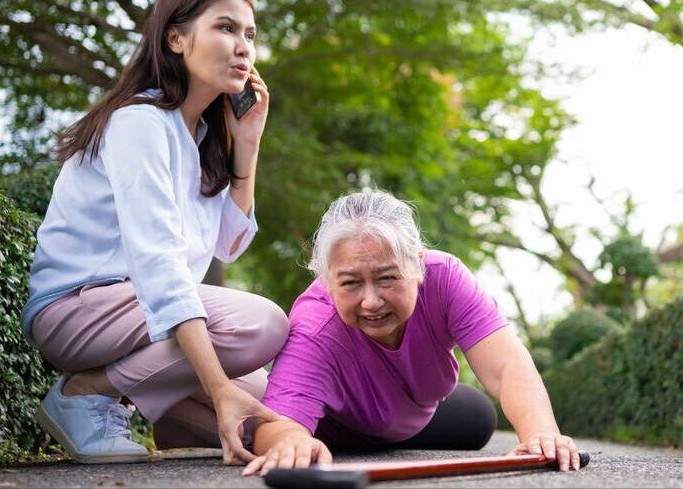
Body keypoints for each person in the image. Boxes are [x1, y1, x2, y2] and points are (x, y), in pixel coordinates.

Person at [21, 0, 289, 465]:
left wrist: (246, 146)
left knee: (263, 405)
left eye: (250, 34)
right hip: (78, 307)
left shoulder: (201, 139)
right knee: (260, 327)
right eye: (226, 29)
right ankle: (85, 391)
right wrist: (214, 383)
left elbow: (227, 247)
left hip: (140, 317)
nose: (243, 47)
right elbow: (158, 266)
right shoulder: (139, 123)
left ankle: (160, 415)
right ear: (176, 38)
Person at [242, 190, 581, 477]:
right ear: (328, 282)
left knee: (477, 416)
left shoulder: (446, 278)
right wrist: (291, 441)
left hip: (408, 419)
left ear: (418, 265)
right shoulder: (315, 324)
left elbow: (506, 365)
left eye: (387, 278)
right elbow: (276, 425)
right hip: (335, 432)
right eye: (351, 283)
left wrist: (542, 435)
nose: (371, 302)